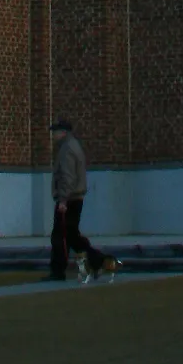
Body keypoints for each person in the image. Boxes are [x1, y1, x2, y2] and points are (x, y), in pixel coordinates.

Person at [47, 119, 114, 282]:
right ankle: (99, 260)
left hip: (69, 199)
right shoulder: (72, 146)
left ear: (63, 132)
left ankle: (58, 271)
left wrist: (63, 200)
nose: (53, 135)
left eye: (55, 132)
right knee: (72, 236)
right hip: (74, 198)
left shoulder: (67, 149)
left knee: (60, 237)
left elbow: (67, 177)